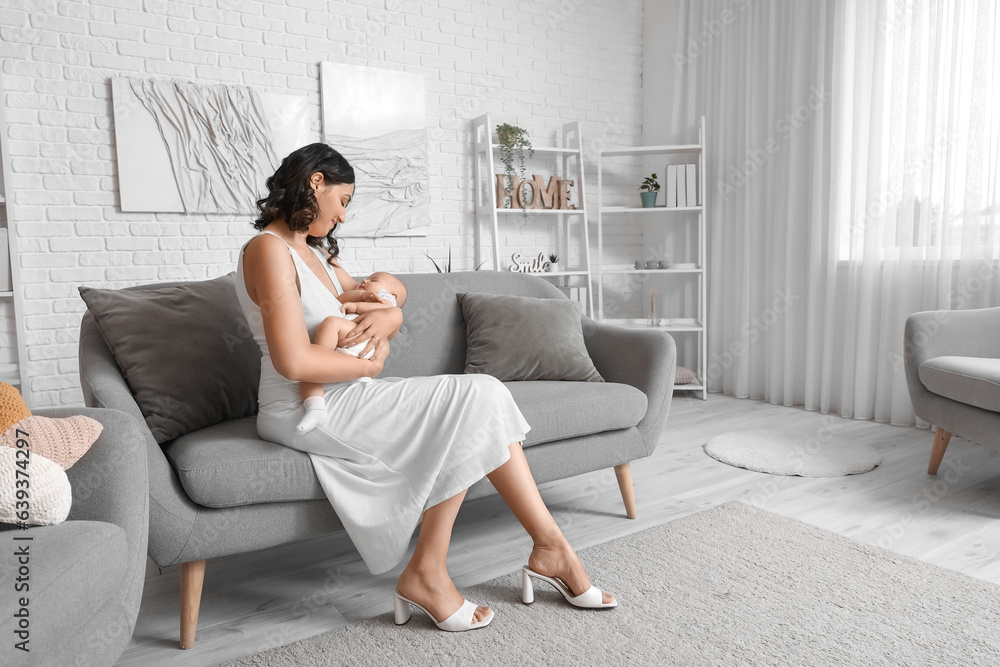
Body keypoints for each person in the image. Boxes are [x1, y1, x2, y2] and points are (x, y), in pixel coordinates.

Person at [235, 142, 615, 633]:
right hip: (302, 404)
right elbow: (294, 359)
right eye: (344, 201)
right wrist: (370, 368)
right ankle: (487, 561)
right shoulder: (268, 250)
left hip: (346, 392)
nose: (344, 218)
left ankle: (532, 551)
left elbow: (386, 295)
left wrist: (391, 312)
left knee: (478, 402)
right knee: (478, 396)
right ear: (316, 183)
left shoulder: (315, 256)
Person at [296, 271, 408, 433]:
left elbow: (386, 307)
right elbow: (339, 300)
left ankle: (320, 356)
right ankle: (315, 407)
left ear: (393, 294)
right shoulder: (363, 294)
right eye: (367, 278)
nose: (365, 280)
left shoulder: (387, 299)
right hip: (355, 347)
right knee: (309, 377)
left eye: (374, 280)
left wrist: (357, 305)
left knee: (331, 324)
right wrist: (361, 296)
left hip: (359, 339)